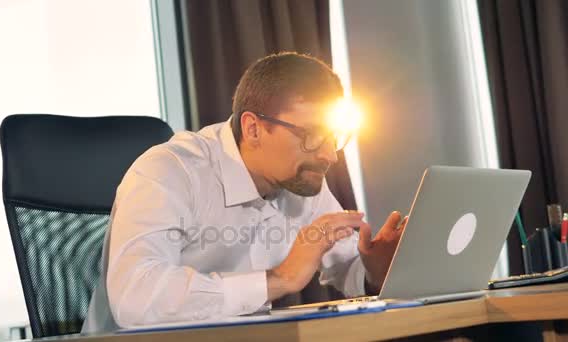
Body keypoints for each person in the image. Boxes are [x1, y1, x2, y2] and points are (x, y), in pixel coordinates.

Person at [82, 52, 405, 333]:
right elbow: (136, 298)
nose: (329, 156)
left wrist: (374, 271)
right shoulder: (169, 171)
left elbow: (346, 265)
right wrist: (278, 279)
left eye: (334, 137)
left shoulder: (301, 181)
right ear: (253, 129)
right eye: (312, 136)